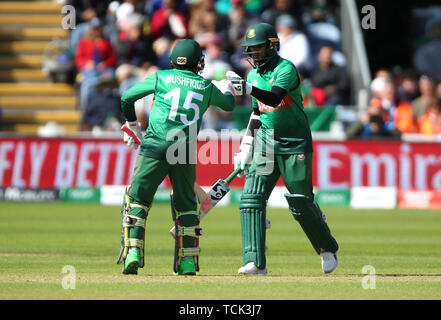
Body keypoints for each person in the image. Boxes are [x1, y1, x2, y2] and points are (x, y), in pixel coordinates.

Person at [226, 22, 339, 275]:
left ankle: (326, 247)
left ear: (272, 46)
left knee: (301, 203)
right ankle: (254, 261)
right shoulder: (252, 75)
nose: (253, 54)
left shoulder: (286, 68)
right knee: (251, 199)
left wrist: (247, 89)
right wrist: (246, 144)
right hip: (265, 143)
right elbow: (258, 112)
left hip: (294, 142)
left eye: (258, 48)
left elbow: (275, 97)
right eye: (250, 49)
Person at [118, 39, 236, 275]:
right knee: (186, 206)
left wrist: (133, 125)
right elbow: (230, 104)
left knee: (138, 200)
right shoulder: (205, 86)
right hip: (183, 150)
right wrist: (228, 87)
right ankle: (188, 262)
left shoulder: (161, 77)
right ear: (198, 63)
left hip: (154, 145)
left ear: (173, 61)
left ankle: (133, 252)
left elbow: (127, 98)